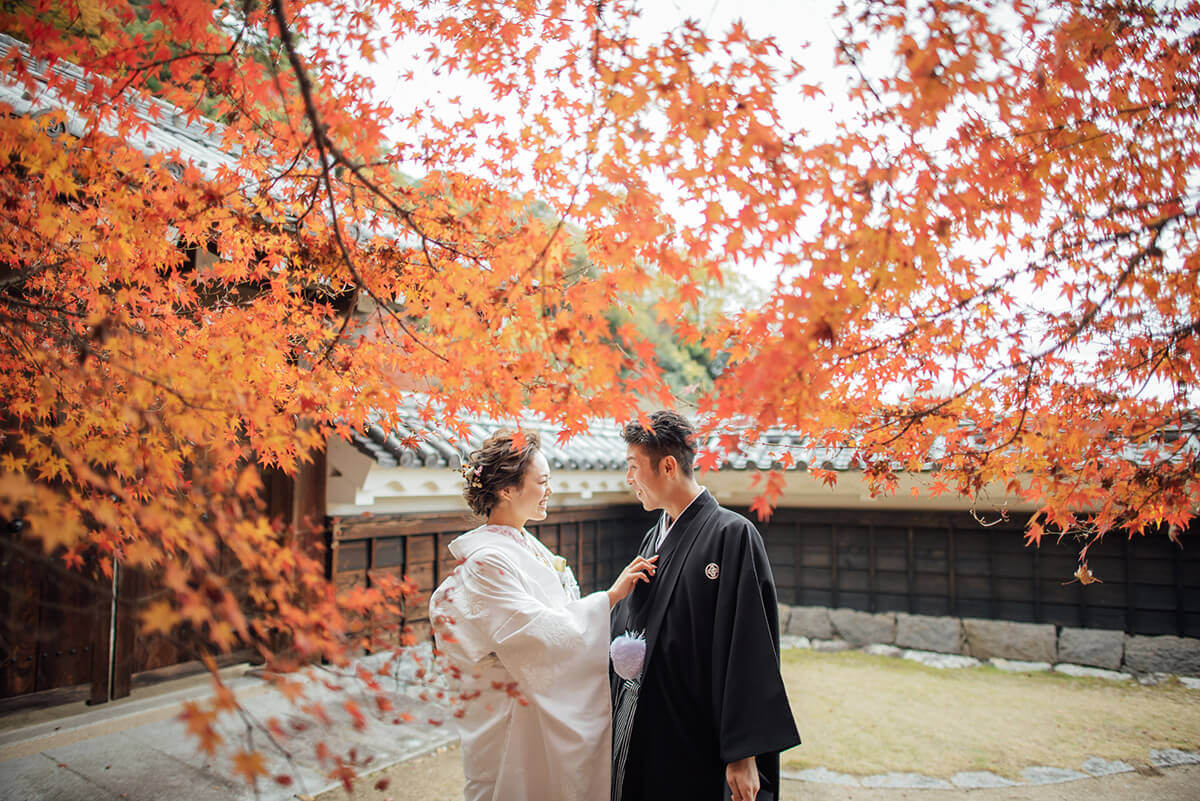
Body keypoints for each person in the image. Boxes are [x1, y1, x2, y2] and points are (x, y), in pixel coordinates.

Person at [429, 429, 657, 801]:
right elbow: (534, 632)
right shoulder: (486, 561)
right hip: (509, 716)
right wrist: (609, 599)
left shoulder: (525, 546)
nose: (549, 490)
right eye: (543, 481)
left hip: (535, 703)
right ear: (506, 490)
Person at [610, 411, 801, 801]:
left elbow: (748, 645)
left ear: (667, 466)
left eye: (633, 467)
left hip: (698, 730)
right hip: (648, 722)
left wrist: (743, 751)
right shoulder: (653, 538)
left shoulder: (731, 535)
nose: (628, 479)